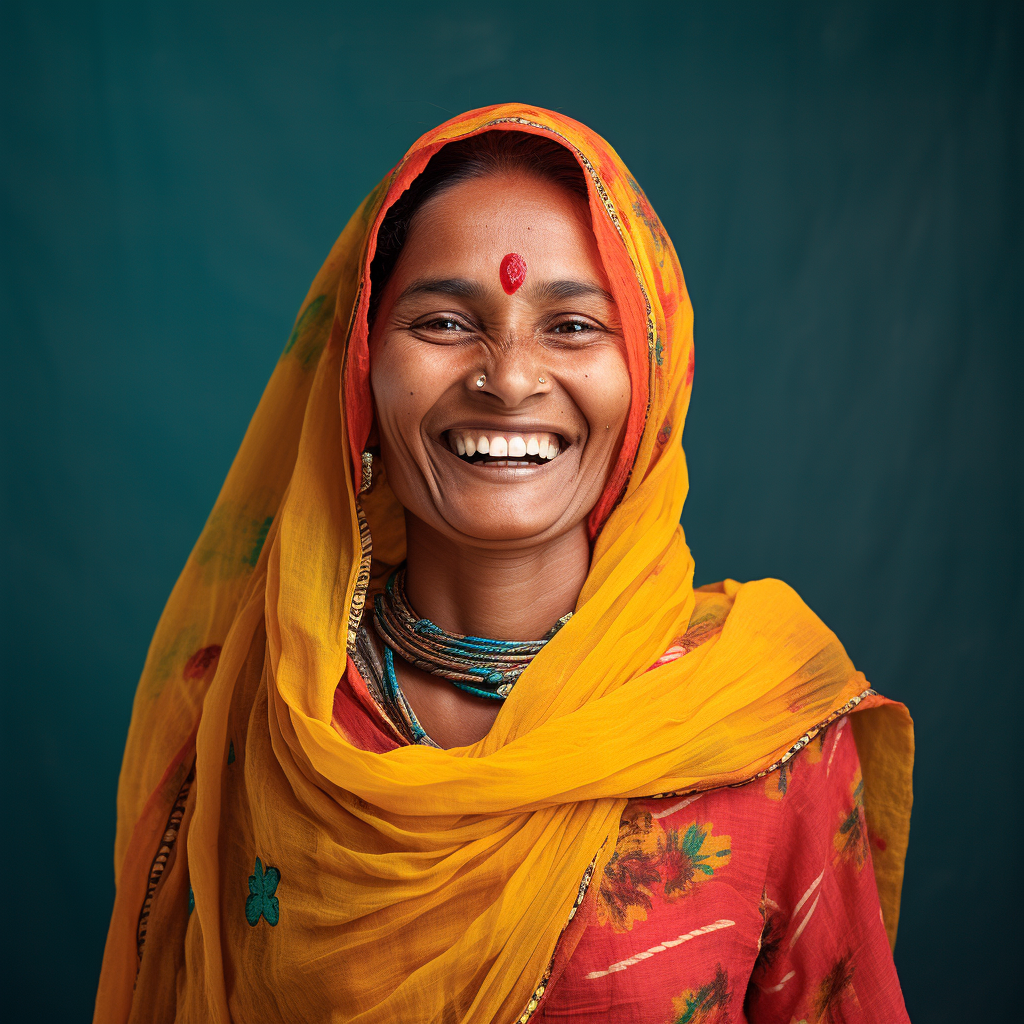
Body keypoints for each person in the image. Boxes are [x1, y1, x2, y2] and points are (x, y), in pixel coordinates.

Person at [95, 104, 913, 1023]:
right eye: (445, 322)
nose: (511, 378)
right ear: (361, 365)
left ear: (651, 378)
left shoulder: (764, 733)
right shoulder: (255, 710)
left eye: (572, 327)